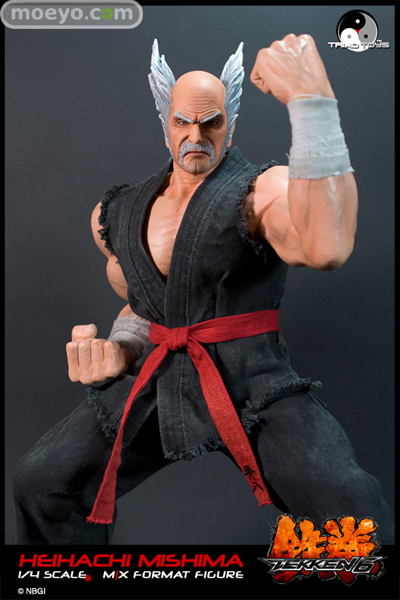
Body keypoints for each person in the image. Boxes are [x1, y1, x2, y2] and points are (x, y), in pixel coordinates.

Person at [13, 35, 394, 544]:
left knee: (351, 510)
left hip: (250, 383)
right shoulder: (118, 214)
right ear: (165, 125)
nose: (196, 135)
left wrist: (313, 105)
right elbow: (144, 306)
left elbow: (326, 246)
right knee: (42, 484)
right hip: (158, 379)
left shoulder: (263, 191)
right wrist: (121, 347)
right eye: (183, 122)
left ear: (229, 126)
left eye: (211, 122)